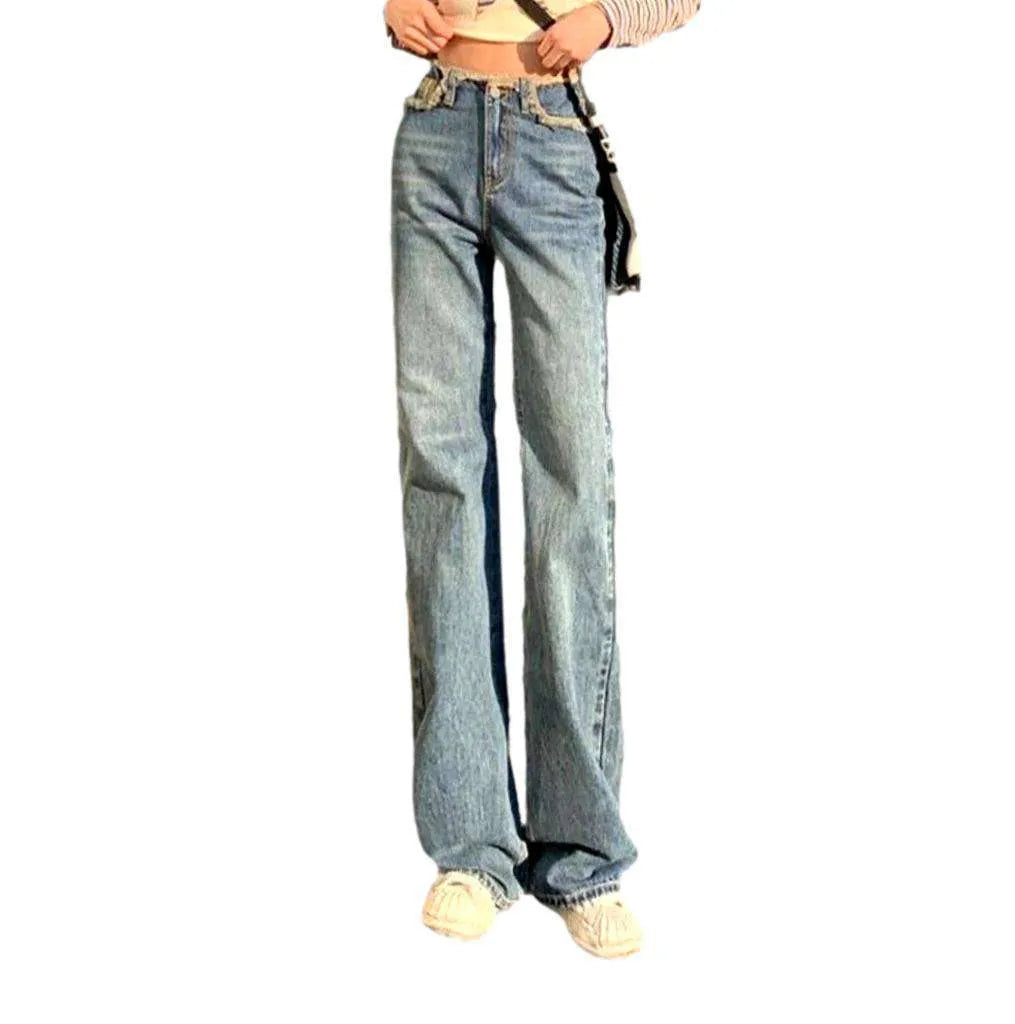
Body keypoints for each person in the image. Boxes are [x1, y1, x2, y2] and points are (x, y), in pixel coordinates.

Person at [384, 0, 700, 958]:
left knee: (570, 488)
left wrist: (608, 16)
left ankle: (582, 857)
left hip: (553, 136)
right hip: (434, 130)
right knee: (441, 480)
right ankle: (470, 849)